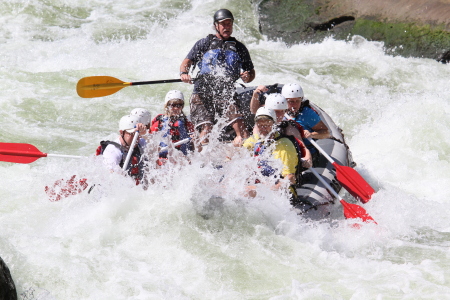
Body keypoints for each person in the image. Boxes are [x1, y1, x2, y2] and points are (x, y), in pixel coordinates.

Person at [179, 8, 256, 147]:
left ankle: (245, 160)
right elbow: (186, 62)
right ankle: (201, 162)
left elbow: (251, 74)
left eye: (229, 24)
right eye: (223, 24)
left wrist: (247, 76)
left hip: (226, 93)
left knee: (242, 129)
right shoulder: (204, 43)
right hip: (202, 94)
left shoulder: (239, 48)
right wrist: (184, 74)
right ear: (216, 26)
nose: (227, 27)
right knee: (206, 129)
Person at [243, 107, 305, 200]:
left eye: (267, 124)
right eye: (260, 124)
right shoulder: (256, 140)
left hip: (282, 192)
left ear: (274, 124)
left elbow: (290, 178)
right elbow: (238, 152)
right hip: (260, 186)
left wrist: (269, 189)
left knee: (245, 191)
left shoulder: (284, 145)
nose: (263, 127)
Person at [249, 91, 312, 169]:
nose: (280, 115)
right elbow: (254, 143)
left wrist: (307, 157)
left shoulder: (288, 127)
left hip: (281, 162)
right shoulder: (259, 126)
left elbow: (303, 147)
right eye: (276, 112)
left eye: (282, 111)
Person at [282, 83, 330, 166]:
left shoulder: (307, 114)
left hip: (307, 154)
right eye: (291, 102)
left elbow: (326, 133)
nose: (295, 105)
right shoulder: (279, 112)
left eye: (298, 101)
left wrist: (311, 134)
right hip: (285, 152)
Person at [97, 114, 148, 184]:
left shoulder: (141, 142)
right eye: (132, 134)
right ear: (121, 133)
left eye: (137, 134)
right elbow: (111, 177)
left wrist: (144, 133)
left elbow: (154, 152)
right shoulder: (113, 150)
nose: (136, 138)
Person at [150, 90, 195, 159]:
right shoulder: (159, 121)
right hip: (163, 158)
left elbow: (195, 142)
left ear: (182, 106)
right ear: (167, 106)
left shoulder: (186, 122)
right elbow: (149, 139)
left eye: (179, 105)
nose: (176, 108)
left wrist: (195, 139)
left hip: (182, 158)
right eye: (173, 105)